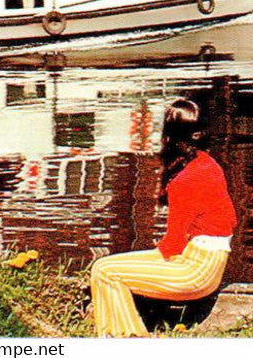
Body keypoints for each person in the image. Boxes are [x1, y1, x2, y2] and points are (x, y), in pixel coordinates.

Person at [90, 98, 237, 338]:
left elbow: (173, 245)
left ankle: (126, 340)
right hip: (210, 262)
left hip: (196, 271)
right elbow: (230, 220)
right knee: (108, 267)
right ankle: (124, 337)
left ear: (168, 135)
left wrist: (146, 259)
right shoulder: (209, 164)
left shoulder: (184, 181)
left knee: (106, 270)